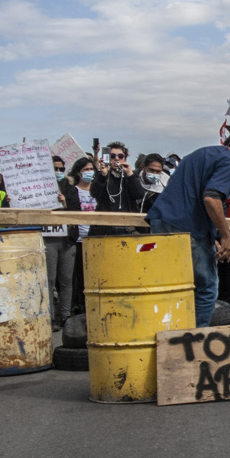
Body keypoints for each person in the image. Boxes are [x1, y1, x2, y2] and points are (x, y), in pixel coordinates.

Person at [147, 120, 230, 328]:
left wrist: (213, 237)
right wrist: (226, 236)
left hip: (162, 220)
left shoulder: (199, 154)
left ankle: (166, 331)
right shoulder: (229, 162)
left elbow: (193, 195)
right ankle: (195, 338)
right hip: (187, 228)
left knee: (169, 285)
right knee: (207, 287)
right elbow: (211, 198)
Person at [42, 155, 77, 330]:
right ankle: (49, 317)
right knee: (48, 280)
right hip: (47, 239)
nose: (58, 172)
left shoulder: (71, 190)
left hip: (66, 240)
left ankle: (65, 316)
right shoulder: (40, 188)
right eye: (54, 168)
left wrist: (64, 205)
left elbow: (76, 213)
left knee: (66, 280)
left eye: (61, 169)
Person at [90, 141, 145, 234]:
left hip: (127, 227)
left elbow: (139, 194)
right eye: (112, 156)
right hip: (106, 228)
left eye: (120, 156)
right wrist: (103, 175)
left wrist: (130, 175)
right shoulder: (103, 175)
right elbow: (94, 193)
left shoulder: (130, 176)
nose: (116, 159)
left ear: (125, 158)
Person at [66, 157, 98, 315]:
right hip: (78, 238)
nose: (89, 172)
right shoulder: (72, 191)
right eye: (86, 170)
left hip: (95, 239)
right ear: (78, 172)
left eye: (91, 169)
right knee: (78, 276)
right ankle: (79, 307)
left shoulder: (98, 190)